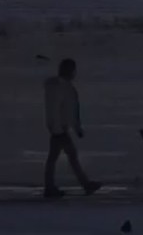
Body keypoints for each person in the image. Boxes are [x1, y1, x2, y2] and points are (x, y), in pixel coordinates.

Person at [43, 58, 101, 198]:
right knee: (65, 157)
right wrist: (60, 128)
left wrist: (75, 127)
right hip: (60, 129)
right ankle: (82, 185)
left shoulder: (63, 87)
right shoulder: (60, 88)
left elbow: (70, 110)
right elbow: (58, 110)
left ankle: (54, 187)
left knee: (61, 157)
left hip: (60, 128)